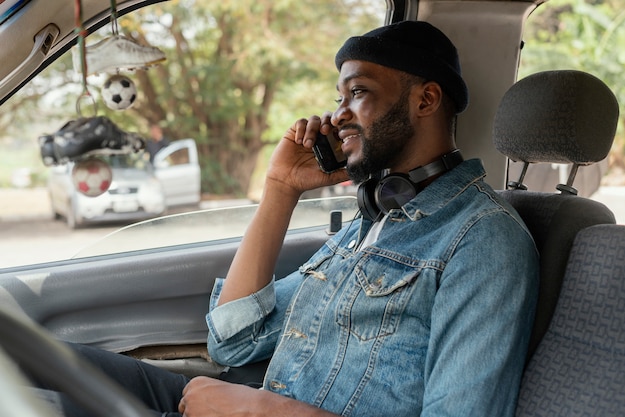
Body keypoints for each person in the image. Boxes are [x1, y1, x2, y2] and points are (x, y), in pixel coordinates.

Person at [50, 20, 539, 417]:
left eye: (358, 93)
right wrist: (280, 191)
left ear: (426, 100)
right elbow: (232, 342)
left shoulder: (482, 240)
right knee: (43, 364)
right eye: (338, 98)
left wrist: (258, 409)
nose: (339, 114)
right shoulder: (373, 219)